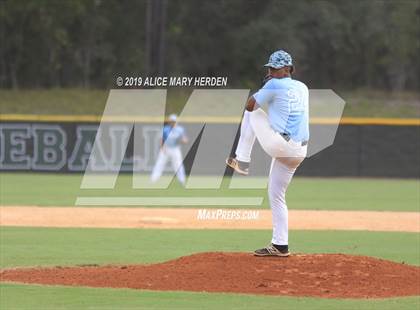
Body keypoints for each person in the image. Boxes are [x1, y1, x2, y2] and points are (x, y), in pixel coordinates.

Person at [226, 50, 309, 257]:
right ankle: (280, 245)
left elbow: (250, 105)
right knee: (276, 195)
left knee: (251, 110)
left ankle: (242, 160)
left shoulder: (273, 85)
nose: (271, 71)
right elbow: (286, 109)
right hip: (299, 151)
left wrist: (265, 89)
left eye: (276, 68)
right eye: (270, 68)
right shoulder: (302, 87)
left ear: (288, 69)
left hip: (282, 145)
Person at [151, 114, 188, 186]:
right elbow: (162, 139)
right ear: (169, 122)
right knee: (160, 164)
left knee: (178, 165)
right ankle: (154, 179)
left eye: (174, 121)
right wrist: (162, 147)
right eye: (171, 121)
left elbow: (184, 139)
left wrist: (184, 140)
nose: (173, 122)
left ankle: (182, 180)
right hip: (166, 148)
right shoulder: (165, 129)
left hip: (175, 149)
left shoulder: (180, 129)